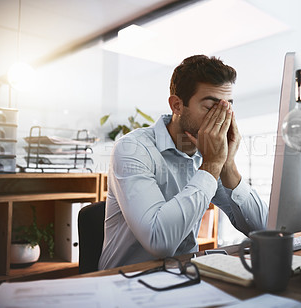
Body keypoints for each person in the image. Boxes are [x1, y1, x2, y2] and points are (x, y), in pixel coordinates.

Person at [98, 55, 268, 270]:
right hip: (125, 281)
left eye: (227, 109)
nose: (222, 119)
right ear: (177, 105)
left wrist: (227, 165)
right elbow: (159, 243)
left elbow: (263, 229)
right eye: (210, 108)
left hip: (185, 275)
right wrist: (212, 165)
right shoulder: (132, 148)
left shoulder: (206, 155)